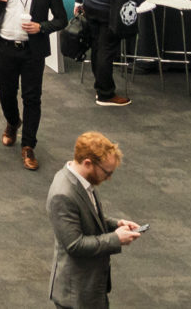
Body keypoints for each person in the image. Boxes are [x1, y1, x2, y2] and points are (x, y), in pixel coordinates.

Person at [0, 0, 68, 172]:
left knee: (32, 98)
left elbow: (62, 19)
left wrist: (41, 27)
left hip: (32, 51)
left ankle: (28, 146)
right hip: (4, 46)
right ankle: (13, 122)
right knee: (6, 93)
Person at [47, 131, 139, 309]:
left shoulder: (83, 180)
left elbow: (90, 216)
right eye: (106, 172)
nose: (109, 177)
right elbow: (75, 244)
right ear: (88, 163)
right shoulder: (63, 194)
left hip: (90, 287)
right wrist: (116, 239)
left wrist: (115, 224)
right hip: (77, 295)